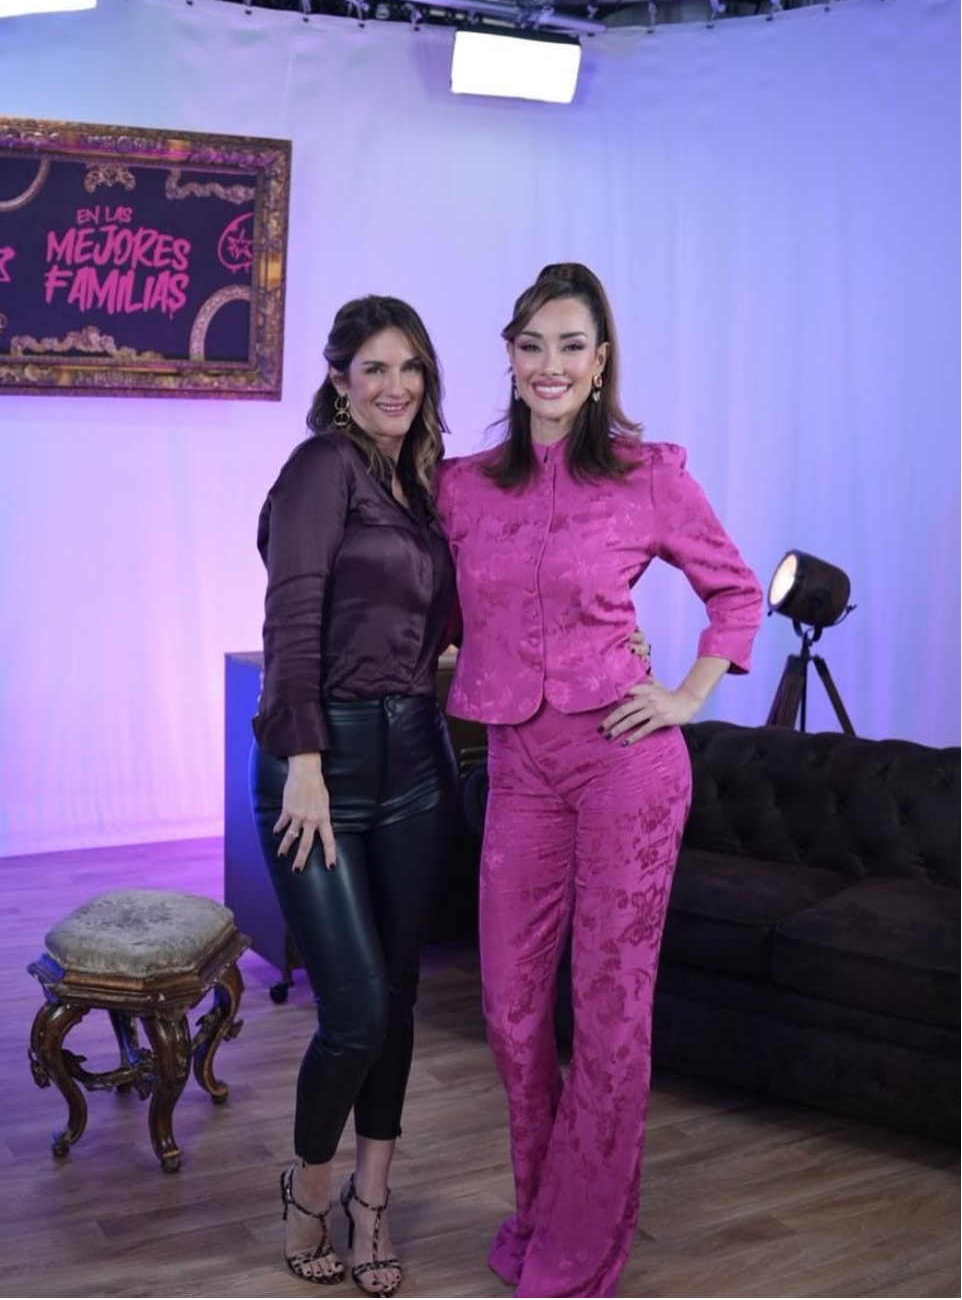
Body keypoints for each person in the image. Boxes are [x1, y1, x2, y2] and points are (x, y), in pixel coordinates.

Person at [436, 262, 763, 1299]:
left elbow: (735, 592)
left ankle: (579, 1247)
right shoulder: (463, 485)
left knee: (611, 1012)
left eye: (570, 345)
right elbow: (429, 598)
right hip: (517, 766)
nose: (550, 364)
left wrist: (686, 693)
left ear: (600, 359)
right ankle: (540, 1212)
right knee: (509, 1010)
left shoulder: (644, 473)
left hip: (626, 764)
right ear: (508, 354)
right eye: (532, 343)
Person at [248, 295, 459, 1295]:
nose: (394, 385)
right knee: (356, 1007)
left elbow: (460, 620)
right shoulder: (319, 468)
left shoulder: (428, 488)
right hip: (318, 764)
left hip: (417, 759)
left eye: (409, 366)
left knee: (399, 996)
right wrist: (302, 760)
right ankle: (309, 1187)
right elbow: (291, 616)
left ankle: (373, 1201)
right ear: (338, 380)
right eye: (373, 367)